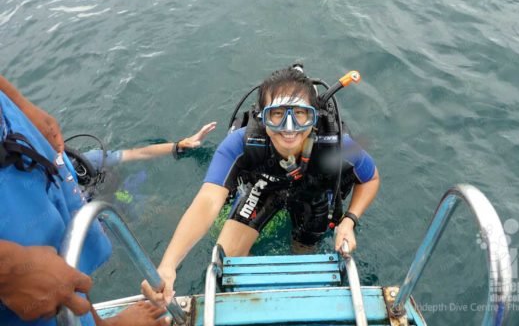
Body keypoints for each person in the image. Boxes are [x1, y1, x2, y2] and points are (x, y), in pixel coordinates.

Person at [142, 66, 380, 306]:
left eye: (300, 114)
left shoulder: (337, 147)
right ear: (261, 116)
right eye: (277, 114)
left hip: (313, 193)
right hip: (264, 187)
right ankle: (246, 302)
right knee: (228, 263)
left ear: (314, 117)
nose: (289, 128)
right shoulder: (241, 144)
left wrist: (349, 220)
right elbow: (207, 201)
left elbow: (370, 178)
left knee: (303, 256)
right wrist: (168, 266)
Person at [0, 75, 170, 326]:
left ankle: (97, 322)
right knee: (34, 289)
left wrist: (21, 105)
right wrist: (8, 270)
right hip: (108, 200)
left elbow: (129, 155)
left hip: (12, 133)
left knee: (62, 257)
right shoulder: (89, 158)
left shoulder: (79, 161)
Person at [65, 122, 217, 200]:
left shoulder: (87, 161)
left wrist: (179, 145)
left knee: (153, 207)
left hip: (121, 193)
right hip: (104, 212)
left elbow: (140, 153)